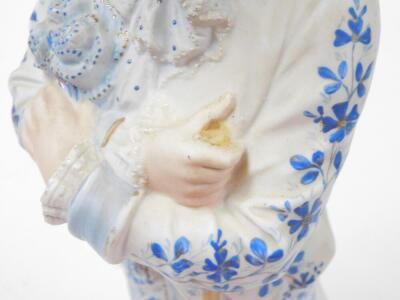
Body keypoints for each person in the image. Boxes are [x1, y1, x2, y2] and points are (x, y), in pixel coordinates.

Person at [9, 0, 380, 299]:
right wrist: (137, 156)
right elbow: (33, 90)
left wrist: (91, 193)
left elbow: (263, 243)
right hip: (147, 283)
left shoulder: (329, 9)